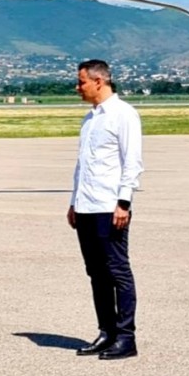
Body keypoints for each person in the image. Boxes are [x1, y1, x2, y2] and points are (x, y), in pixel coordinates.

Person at [68, 59, 143, 360]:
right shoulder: (90, 118)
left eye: (81, 82)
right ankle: (106, 332)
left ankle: (126, 337)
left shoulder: (123, 114)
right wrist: (74, 202)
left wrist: (124, 202)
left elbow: (132, 162)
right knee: (96, 273)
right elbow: (82, 166)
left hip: (109, 207)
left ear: (99, 81)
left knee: (117, 271)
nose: (78, 87)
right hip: (86, 206)